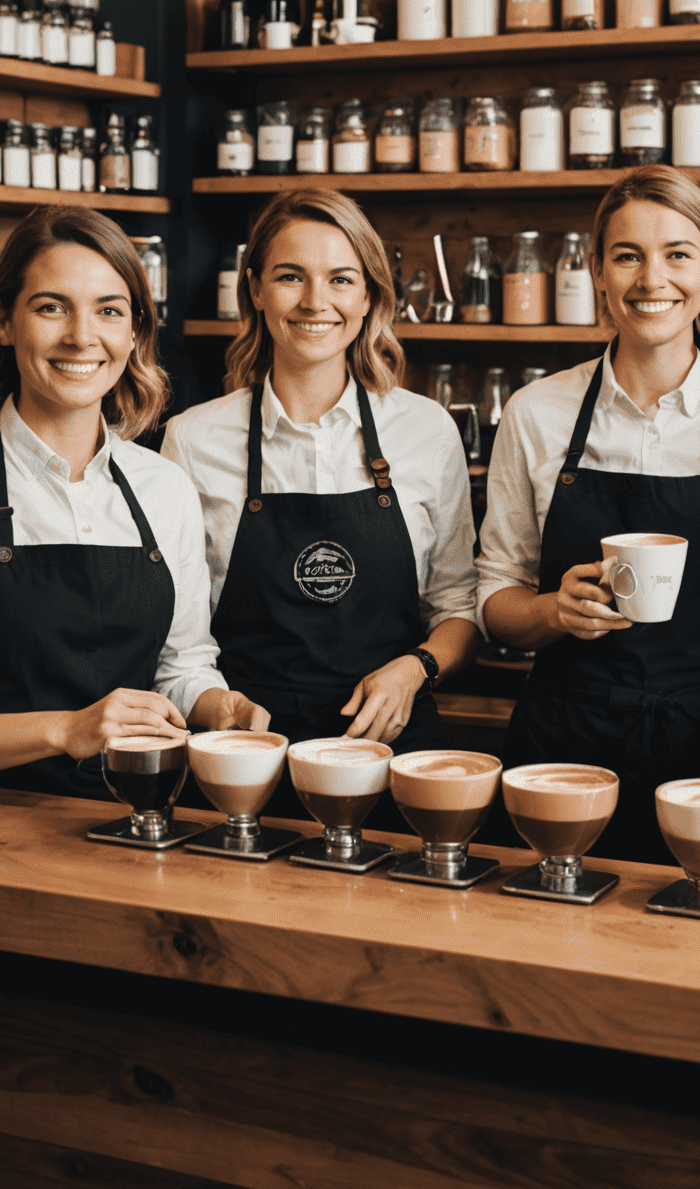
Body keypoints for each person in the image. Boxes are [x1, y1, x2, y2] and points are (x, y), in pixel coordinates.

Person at [478, 165, 700, 862]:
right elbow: (494, 595)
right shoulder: (536, 414)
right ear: (598, 271)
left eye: (677, 254)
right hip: (561, 745)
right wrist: (551, 613)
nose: (650, 279)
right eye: (627, 256)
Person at [0, 206, 251, 796]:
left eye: (109, 311)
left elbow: (179, 665)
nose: (81, 337)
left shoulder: (164, 489)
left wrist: (217, 705)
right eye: (51, 307)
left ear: (135, 332)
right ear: (4, 320)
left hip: (136, 817)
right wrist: (67, 729)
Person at [161, 189, 478, 770]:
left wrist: (415, 670)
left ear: (368, 296)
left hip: (393, 752)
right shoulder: (192, 439)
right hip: (247, 752)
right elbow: (180, 639)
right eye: (290, 277)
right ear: (255, 289)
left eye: (340, 279)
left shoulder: (427, 431)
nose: (315, 301)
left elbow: (457, 604)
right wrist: (216, 706)